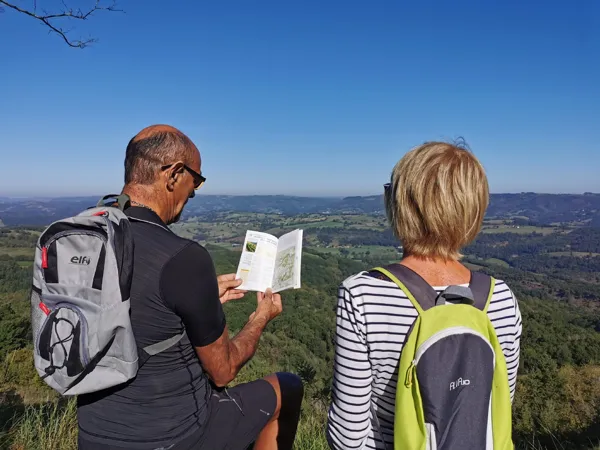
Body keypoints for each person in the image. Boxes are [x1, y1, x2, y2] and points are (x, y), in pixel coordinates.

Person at [77, 125, 304, 450]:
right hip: (173, 436)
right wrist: (259, 318)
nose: (192, 194)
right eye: (193, 182)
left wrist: (200, 297)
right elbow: (223, 372)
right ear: (173, 175)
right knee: (289, 386)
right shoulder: (183, 256)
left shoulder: (86, 237)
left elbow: (139, 307)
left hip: (93, 433)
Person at [326, 141, 522, 449]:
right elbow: (497, 404)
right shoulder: (501, 300)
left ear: (401, 204)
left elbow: (348, 437)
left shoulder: (363, 295)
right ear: (472, 208)